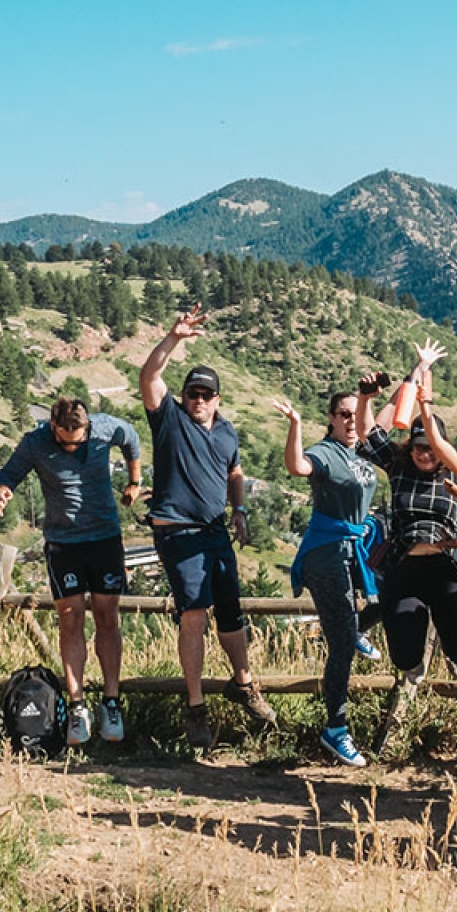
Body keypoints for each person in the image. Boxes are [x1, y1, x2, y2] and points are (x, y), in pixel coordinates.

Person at [139, 306, 276, 749]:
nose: (198, 399)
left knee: (230, 611)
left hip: (215, 530)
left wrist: (239, 510)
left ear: (218, 398)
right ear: (183, 395)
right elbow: (148, 375)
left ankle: (243, 683)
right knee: (194, 613)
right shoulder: (169, 420)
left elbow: (235, 472)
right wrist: (173, 338)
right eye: (192, 392)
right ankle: (196, 707)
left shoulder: (227, 432)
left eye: (206, 394)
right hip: (178, 531)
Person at [0, 397, 143, 746]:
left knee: (107, 617)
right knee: (71, 619)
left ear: (88, 426)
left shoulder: (105, 427)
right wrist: (2, 493)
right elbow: (9, 475)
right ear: (53, 428)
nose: (72, 446)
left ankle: (111, 702)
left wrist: (134, 481)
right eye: (65, 440)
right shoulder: (36, 441)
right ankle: (77, 707)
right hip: (63, 544)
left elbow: (132, 437)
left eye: (78, 440)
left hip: (105, 538)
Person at [355, 342, 457, 749]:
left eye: (431, 446)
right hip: (405, 569)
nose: (425, 453)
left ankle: (448, 640)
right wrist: (367, 396)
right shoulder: (398, 466)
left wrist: (426, 375)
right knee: (406, 657)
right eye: (418, 446)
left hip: (447, 567)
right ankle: (423, 642)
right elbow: (367, 433)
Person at [274, 382, 381, 767]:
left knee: (398, 588)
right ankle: (335, 729)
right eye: (344, 414)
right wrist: (295, 424)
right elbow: (296, 466)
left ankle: (355, 630)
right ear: (332, 420)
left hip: (355, 549)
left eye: (356, 414)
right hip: (326, 552)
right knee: (339, 646)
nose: (352, 421)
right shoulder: (326, 452)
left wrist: (420, 372)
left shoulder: (365, 452)